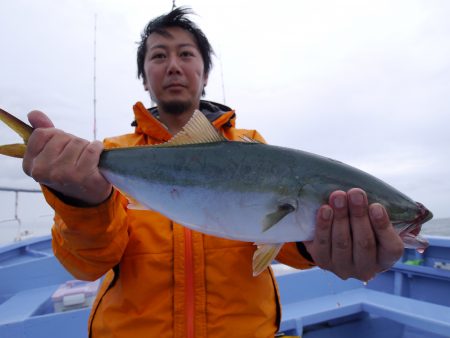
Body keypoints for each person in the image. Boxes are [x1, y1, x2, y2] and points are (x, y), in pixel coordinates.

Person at [22, 7, 404, 338]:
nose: (173, 65)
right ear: (145, 78)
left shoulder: (253, 149)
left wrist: (321, 242)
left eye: (186, 54)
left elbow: (285, 241)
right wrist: (83, 202)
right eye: (158, 56)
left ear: (204, 74)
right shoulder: (110, 156)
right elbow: (85, 264)